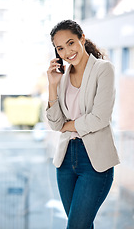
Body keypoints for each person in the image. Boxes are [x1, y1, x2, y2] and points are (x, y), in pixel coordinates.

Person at [46, 20, 120, 229]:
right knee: (81, 225)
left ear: (82, 39)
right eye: (60, 48)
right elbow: (55, 123)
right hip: (66, 161)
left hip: (94, 162)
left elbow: (100, 118)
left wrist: (69, 126)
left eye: (71, 43)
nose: (67, 51)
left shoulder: (104, 70)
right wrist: (52, 85)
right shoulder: (63, 76)